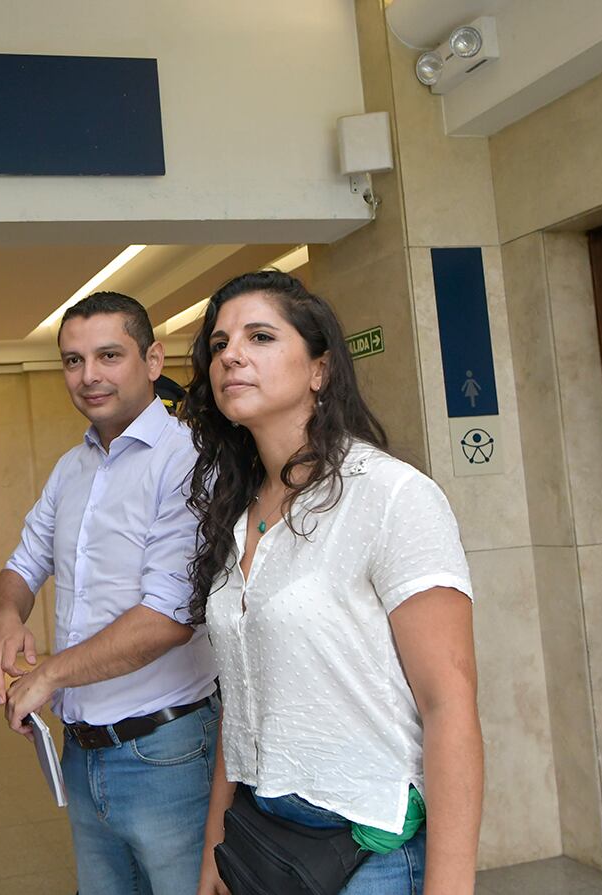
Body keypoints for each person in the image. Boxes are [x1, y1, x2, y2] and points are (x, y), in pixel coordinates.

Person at [184, 271, 482, 895]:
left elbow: (448, 706)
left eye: (260, 336)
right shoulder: (237, 515)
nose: (231, 354)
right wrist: (217, 845)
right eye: (218, 344)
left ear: (320, 369)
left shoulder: (391, 495)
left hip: (368, 848)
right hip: (266, 842)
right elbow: (239, 703)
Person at [0, 292, 219, 895]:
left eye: (109, 355)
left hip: (166, 750)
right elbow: (22, 565)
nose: (89, 376)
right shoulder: (72, 468)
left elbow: (168, 618)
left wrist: (50, 676)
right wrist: (6, 618)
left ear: (152, 360)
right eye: (72, 360)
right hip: (83, 752)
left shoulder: (189, 460)